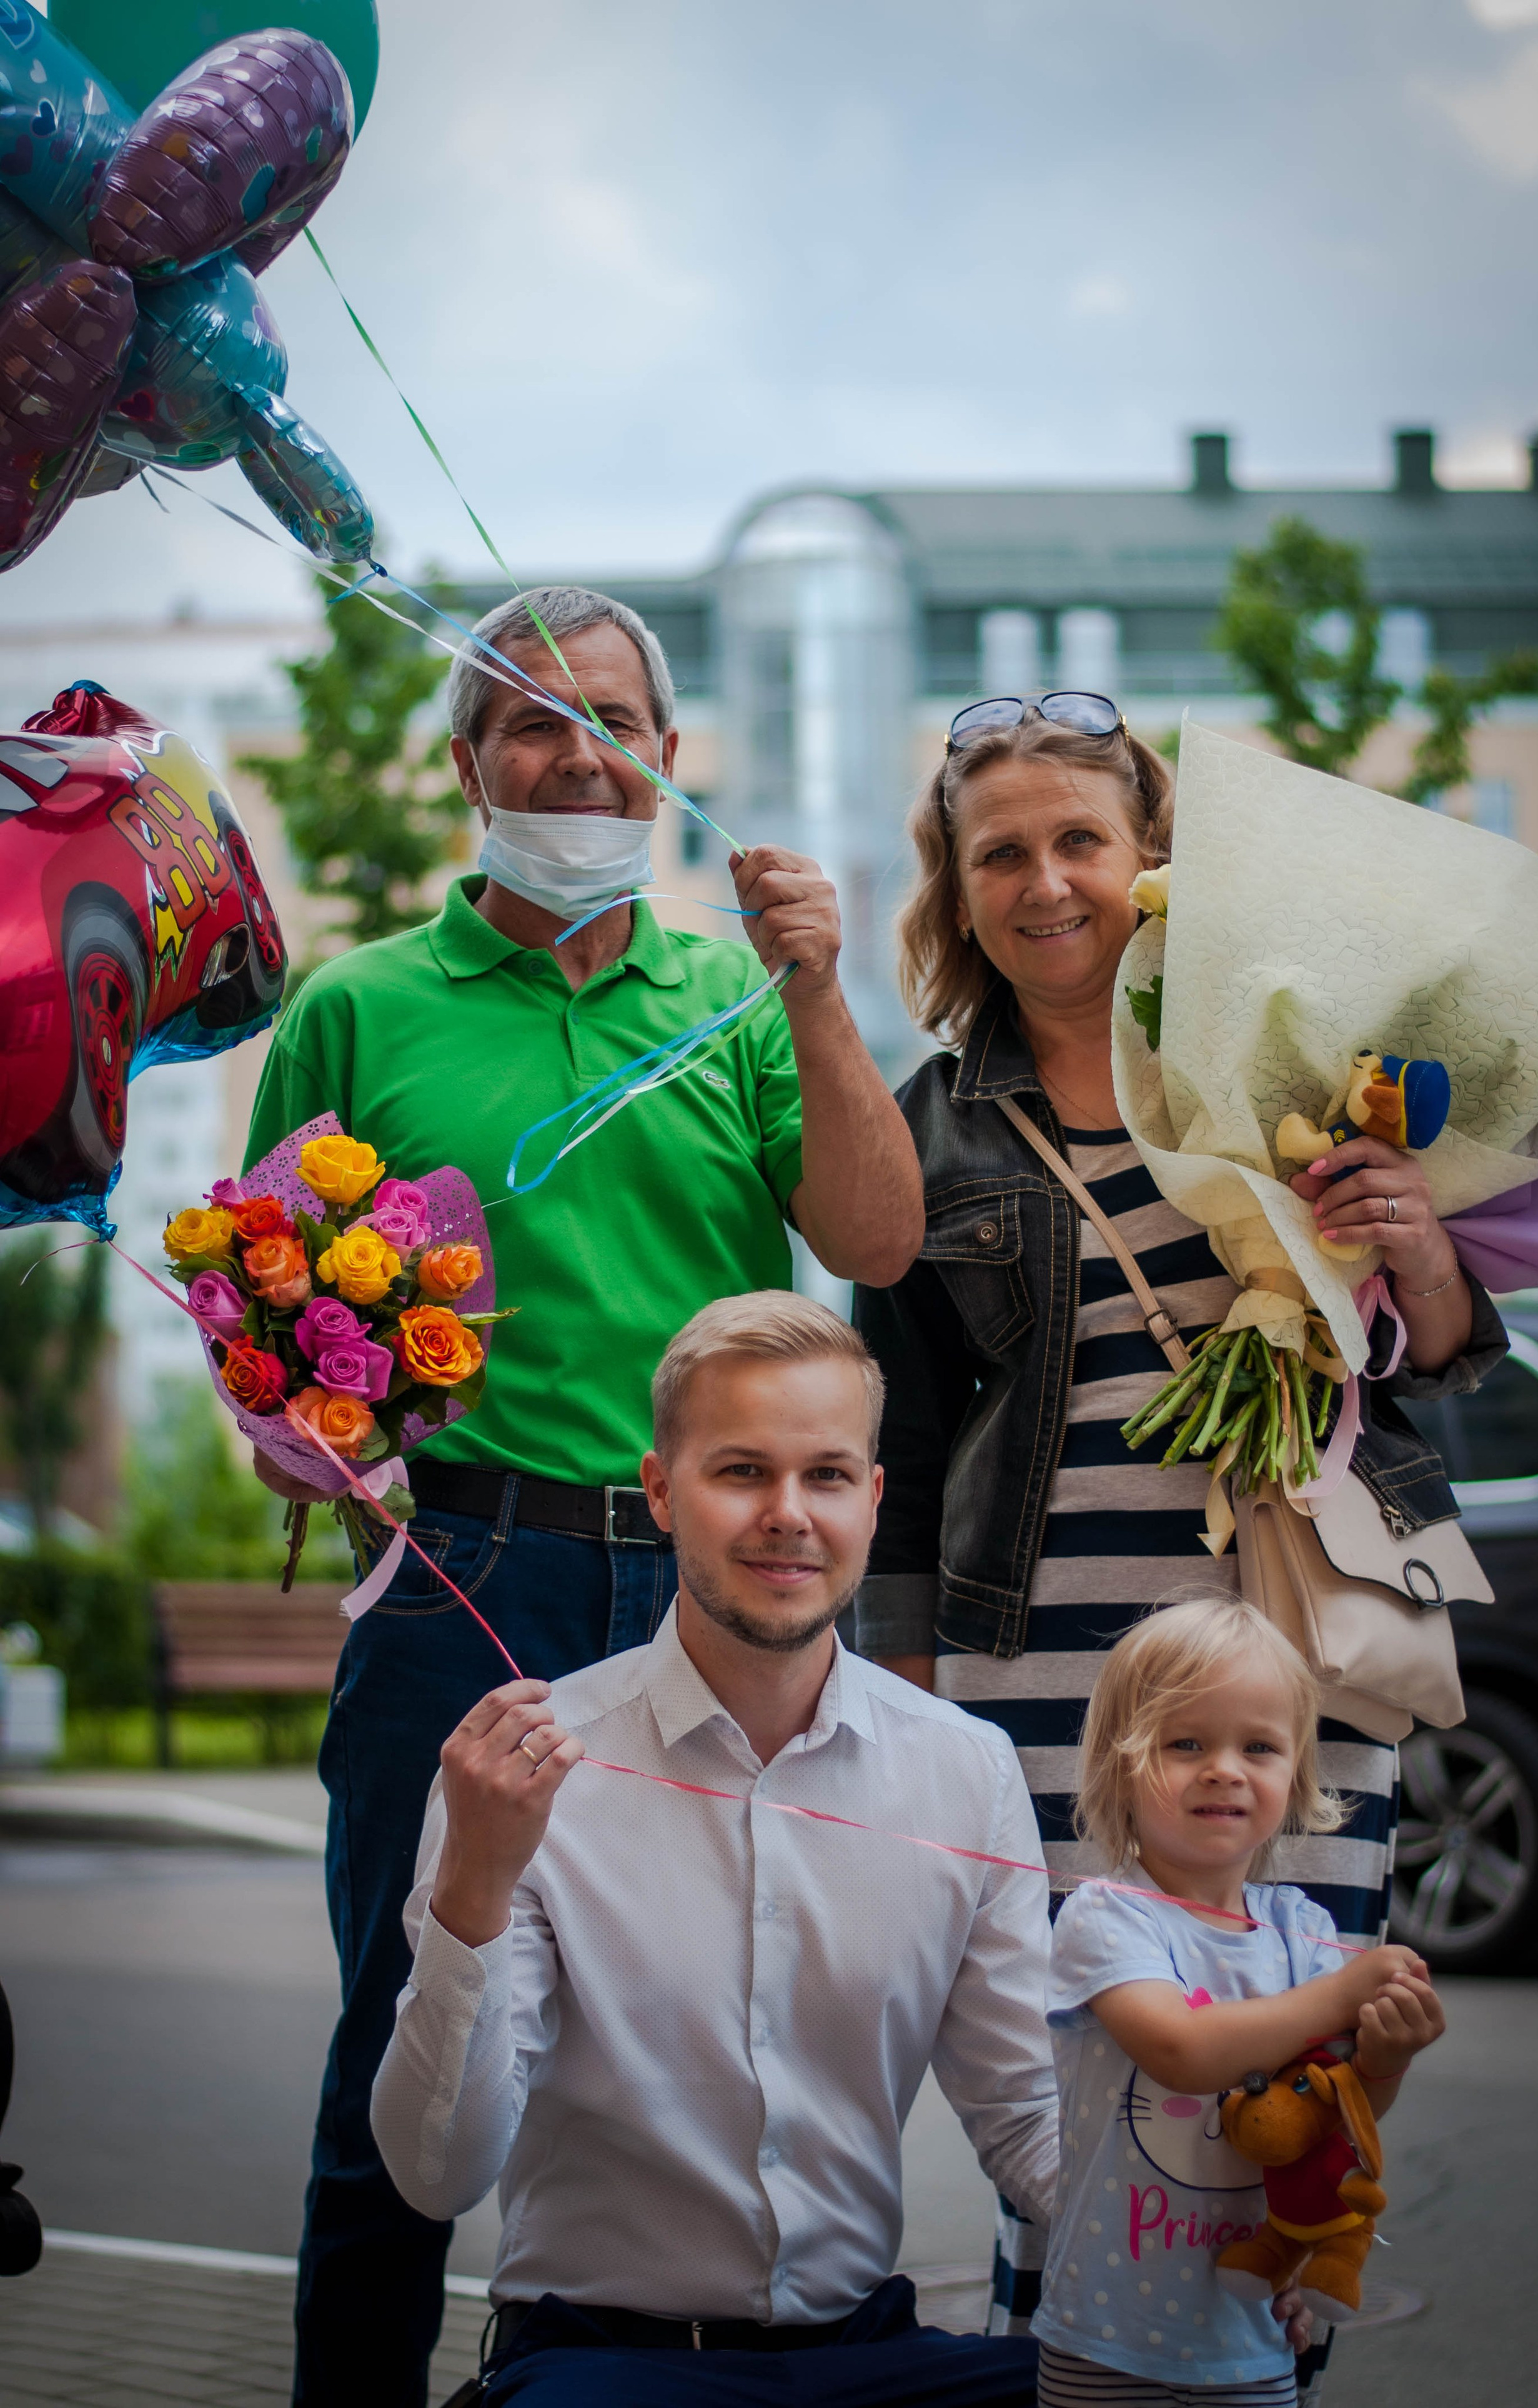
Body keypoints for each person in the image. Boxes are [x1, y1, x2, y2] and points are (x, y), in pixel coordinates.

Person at [245, 588, 925, 2407]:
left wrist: (817, 995)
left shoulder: (737, 998)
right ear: (467, 765)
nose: (574, 752)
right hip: (469, 1577)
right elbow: (270, 1320)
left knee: (717, 2046)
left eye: (610, 716)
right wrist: (291, 1433)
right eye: (530, 721)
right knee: (402, 2051)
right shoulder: (354, 1006)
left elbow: (873, 1238)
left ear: (670, 760)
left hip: (731, 1598)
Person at [851, 691, 1505, 2329]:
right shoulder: (927, 1125)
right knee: (1082, 2087)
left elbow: (1433, 1364)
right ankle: (1065, 2356)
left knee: (1299, 2062)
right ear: (958, 885)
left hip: (1302, 1649)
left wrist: (1416, 1239)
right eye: (999, 852)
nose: (1045, 881)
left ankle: (1261, 2367)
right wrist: (910, 1703)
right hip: (1042, 1664)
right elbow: (909, 1441)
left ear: (1155, 864)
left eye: (1082, 839)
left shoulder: (1287, 1062)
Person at [370, 1293, 1056, 2406]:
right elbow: (434, 2174)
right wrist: (474, 1893)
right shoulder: (526, 1775)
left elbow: (1026, 2116)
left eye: (827, 1476)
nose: (789, 1514)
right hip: (609, 2366)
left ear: (874, 1501)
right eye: (741, 1472)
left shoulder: (965, 1769)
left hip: (860, 2358)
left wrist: (1196, 2244)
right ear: (659, 1493)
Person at [1036, 1598, 1444, 2407]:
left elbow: (1333, 2110)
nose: (1224, 1767)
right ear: (1123, 1763)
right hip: (1107, 2334)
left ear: (1296, 1773)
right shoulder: (1108, 1917)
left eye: (1258, 1746)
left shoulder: (1304, 1932)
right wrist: (1338, 1996)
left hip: (1251, 2330)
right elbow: (1181, 2053)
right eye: (1186, 1743)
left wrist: (1385, 2058)